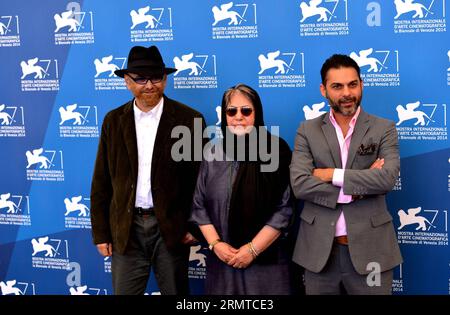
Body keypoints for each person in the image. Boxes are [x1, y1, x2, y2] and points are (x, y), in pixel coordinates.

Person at [90, 45, 205, 295]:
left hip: (171, 230)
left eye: (156, 77)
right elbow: (102, 180)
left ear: (165, 79)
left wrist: (195, 227)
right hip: (125, 230)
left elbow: (200, 180)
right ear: (127, 82)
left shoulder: (189, 120)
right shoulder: (113, 120)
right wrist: (101, 233)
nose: (149, 85)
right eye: (141, 78)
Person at [290, 54, 402, 295]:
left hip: (372, 251)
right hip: (319, 253)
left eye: (352, 84)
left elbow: (387, 178)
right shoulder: (306, 130)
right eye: (337, 86)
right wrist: (358, 188)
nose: (347, 93)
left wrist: (331, 174)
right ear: (323, 90)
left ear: (361, 84)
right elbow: (300, 185)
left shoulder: (384, 128)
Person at [191, 83, 294, 295]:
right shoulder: (211, 152)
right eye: (232, 111)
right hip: (222, 260)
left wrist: (252, 250)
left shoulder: (276, 150)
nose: (238, 117)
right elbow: (198, 205)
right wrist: (216, 245)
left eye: (246, 111)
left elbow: (285, 209)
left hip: (266, 262)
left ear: (257, 114)